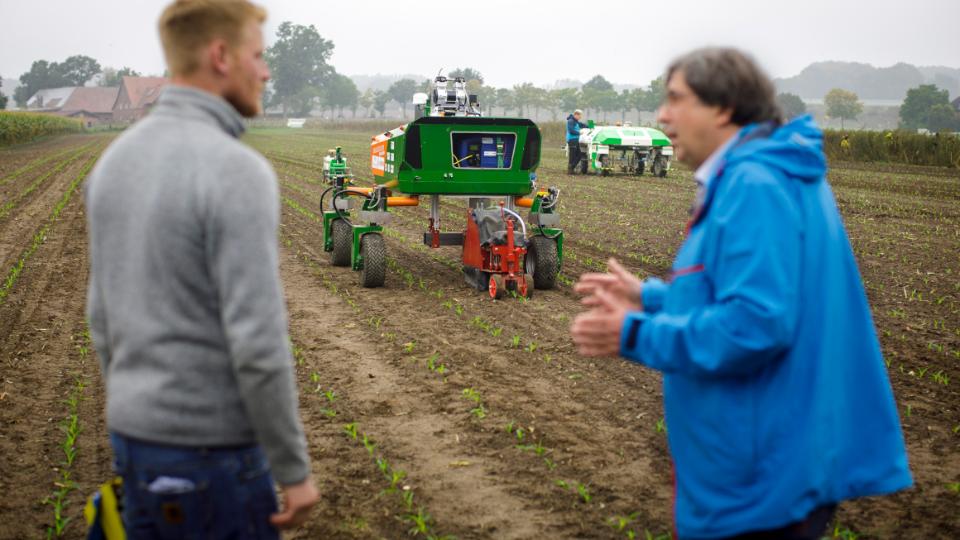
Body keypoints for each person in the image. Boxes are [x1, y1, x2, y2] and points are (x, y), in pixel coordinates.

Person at [570, 47, 911, 539]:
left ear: (724, 108)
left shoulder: (755, 185)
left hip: (761, 474)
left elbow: (754, 325)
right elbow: (753, 295)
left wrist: (633, 333)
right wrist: (654, 299)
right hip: (773, 456)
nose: (662, 115)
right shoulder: (765, 174)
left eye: (676, 100)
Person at [84, 0, 318, 536]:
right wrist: (293, 470)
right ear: (220, 55)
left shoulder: (113, 163)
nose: (265, 71)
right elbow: (258, 344)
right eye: (257, 56)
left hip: (134, 443)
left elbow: (101, 317)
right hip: (213, 461)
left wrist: (136, 414)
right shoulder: (235, 170)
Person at [567, 108, 588, 174]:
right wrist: (579, 133)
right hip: (572, 140)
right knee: (572, 156)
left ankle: (571, 168)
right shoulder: (571, 121)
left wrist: (589, 126)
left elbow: (582, 125)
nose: (580, 117)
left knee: (579, 155)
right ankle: (570, 169)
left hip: (576, 140)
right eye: (580, 116)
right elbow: (571, 130)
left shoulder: (576, 121)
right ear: (576, 114)